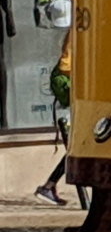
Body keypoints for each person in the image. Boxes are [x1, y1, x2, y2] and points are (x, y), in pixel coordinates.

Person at [34, 32, 71, 206]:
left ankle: (49, 186)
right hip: (70, 89)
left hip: (68, 92)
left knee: (75, 149)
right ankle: (48, 186)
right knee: (77, 149)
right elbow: (66, 65)